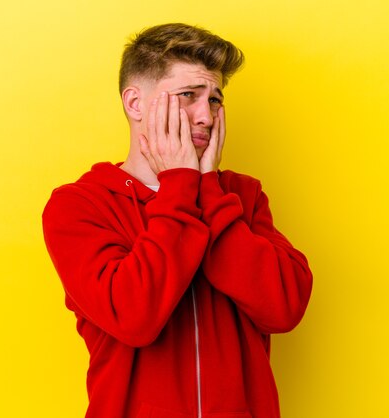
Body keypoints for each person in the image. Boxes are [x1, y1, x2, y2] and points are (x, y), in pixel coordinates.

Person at [42, 23, 313, 418]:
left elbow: (284, 307)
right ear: (135, 103)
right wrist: (179, 187)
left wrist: (208, 192)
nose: (206, 116)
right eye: (189, 95)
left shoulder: (243, 195)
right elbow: (135, 317)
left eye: (215, 99)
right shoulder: (80, 205)